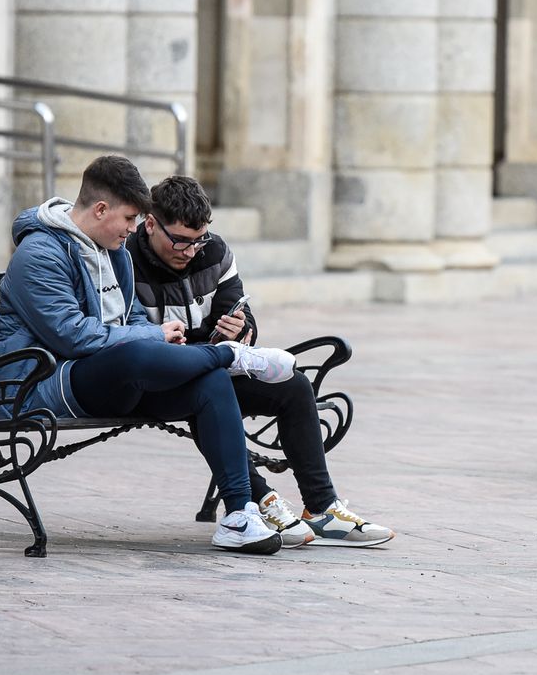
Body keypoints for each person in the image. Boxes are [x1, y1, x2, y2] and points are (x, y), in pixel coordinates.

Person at [0, 154, 301, 554]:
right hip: (45, 386)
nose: (133, 229)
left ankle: (239, 514)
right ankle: (230, 356)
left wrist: (156, 338)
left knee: (205, 382)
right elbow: (72, 338)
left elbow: (133, 316)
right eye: (129, 218)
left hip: (111, 379)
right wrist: (151, 337)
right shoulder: (39, 255)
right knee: (136, 356)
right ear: (101, 209)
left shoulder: (114, 251)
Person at [128, 174, 395, 548]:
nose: (190, 251)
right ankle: (263, 499)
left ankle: (322, 508)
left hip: (210, 364)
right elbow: (131, 338)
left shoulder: (214, 253)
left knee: (294, 387)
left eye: (198, 239)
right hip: (152, 379)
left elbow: (241, 313)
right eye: (180, 241)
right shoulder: (124, 260)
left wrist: (240, 329)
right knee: (211, 389)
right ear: (150, 223)